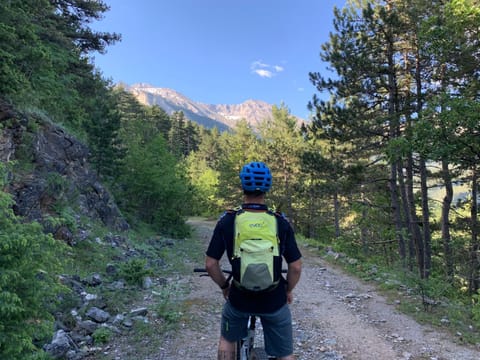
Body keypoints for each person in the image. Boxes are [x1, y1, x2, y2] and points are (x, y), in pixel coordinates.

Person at [205, 161, 302, 360]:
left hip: (239, 299)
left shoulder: (228, 220)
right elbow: (296, 266)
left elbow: (211, 264)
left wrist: (225, 286)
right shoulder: (279, 221)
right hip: (273, 300)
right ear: (267, 188)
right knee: (285, 354)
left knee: (228, 338)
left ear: (243, 186)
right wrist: (288, 290)